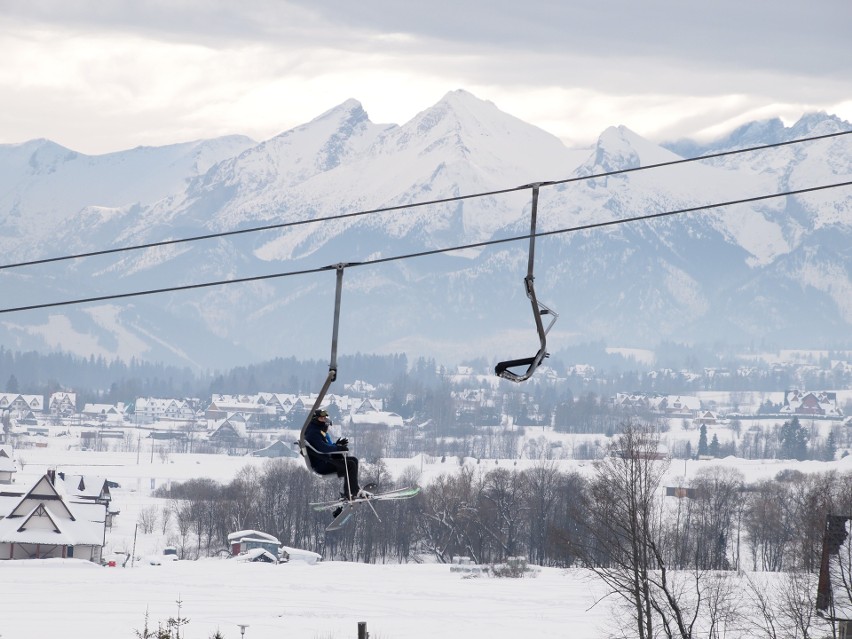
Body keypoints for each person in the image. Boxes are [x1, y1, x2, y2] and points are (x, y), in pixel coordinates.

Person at [304, 409, 372, 502]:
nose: (324, 420)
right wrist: (338, 448)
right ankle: (352, 492)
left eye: (325, 418)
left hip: (324, 460)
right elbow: (322, 448)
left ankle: (352, 490)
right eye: (321, 418)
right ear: (315, 419)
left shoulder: (316, 430)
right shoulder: (313, 432)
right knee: (350, 464)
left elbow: (325, 446)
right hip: (322, 465)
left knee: (354, 460)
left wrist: (337, 445)